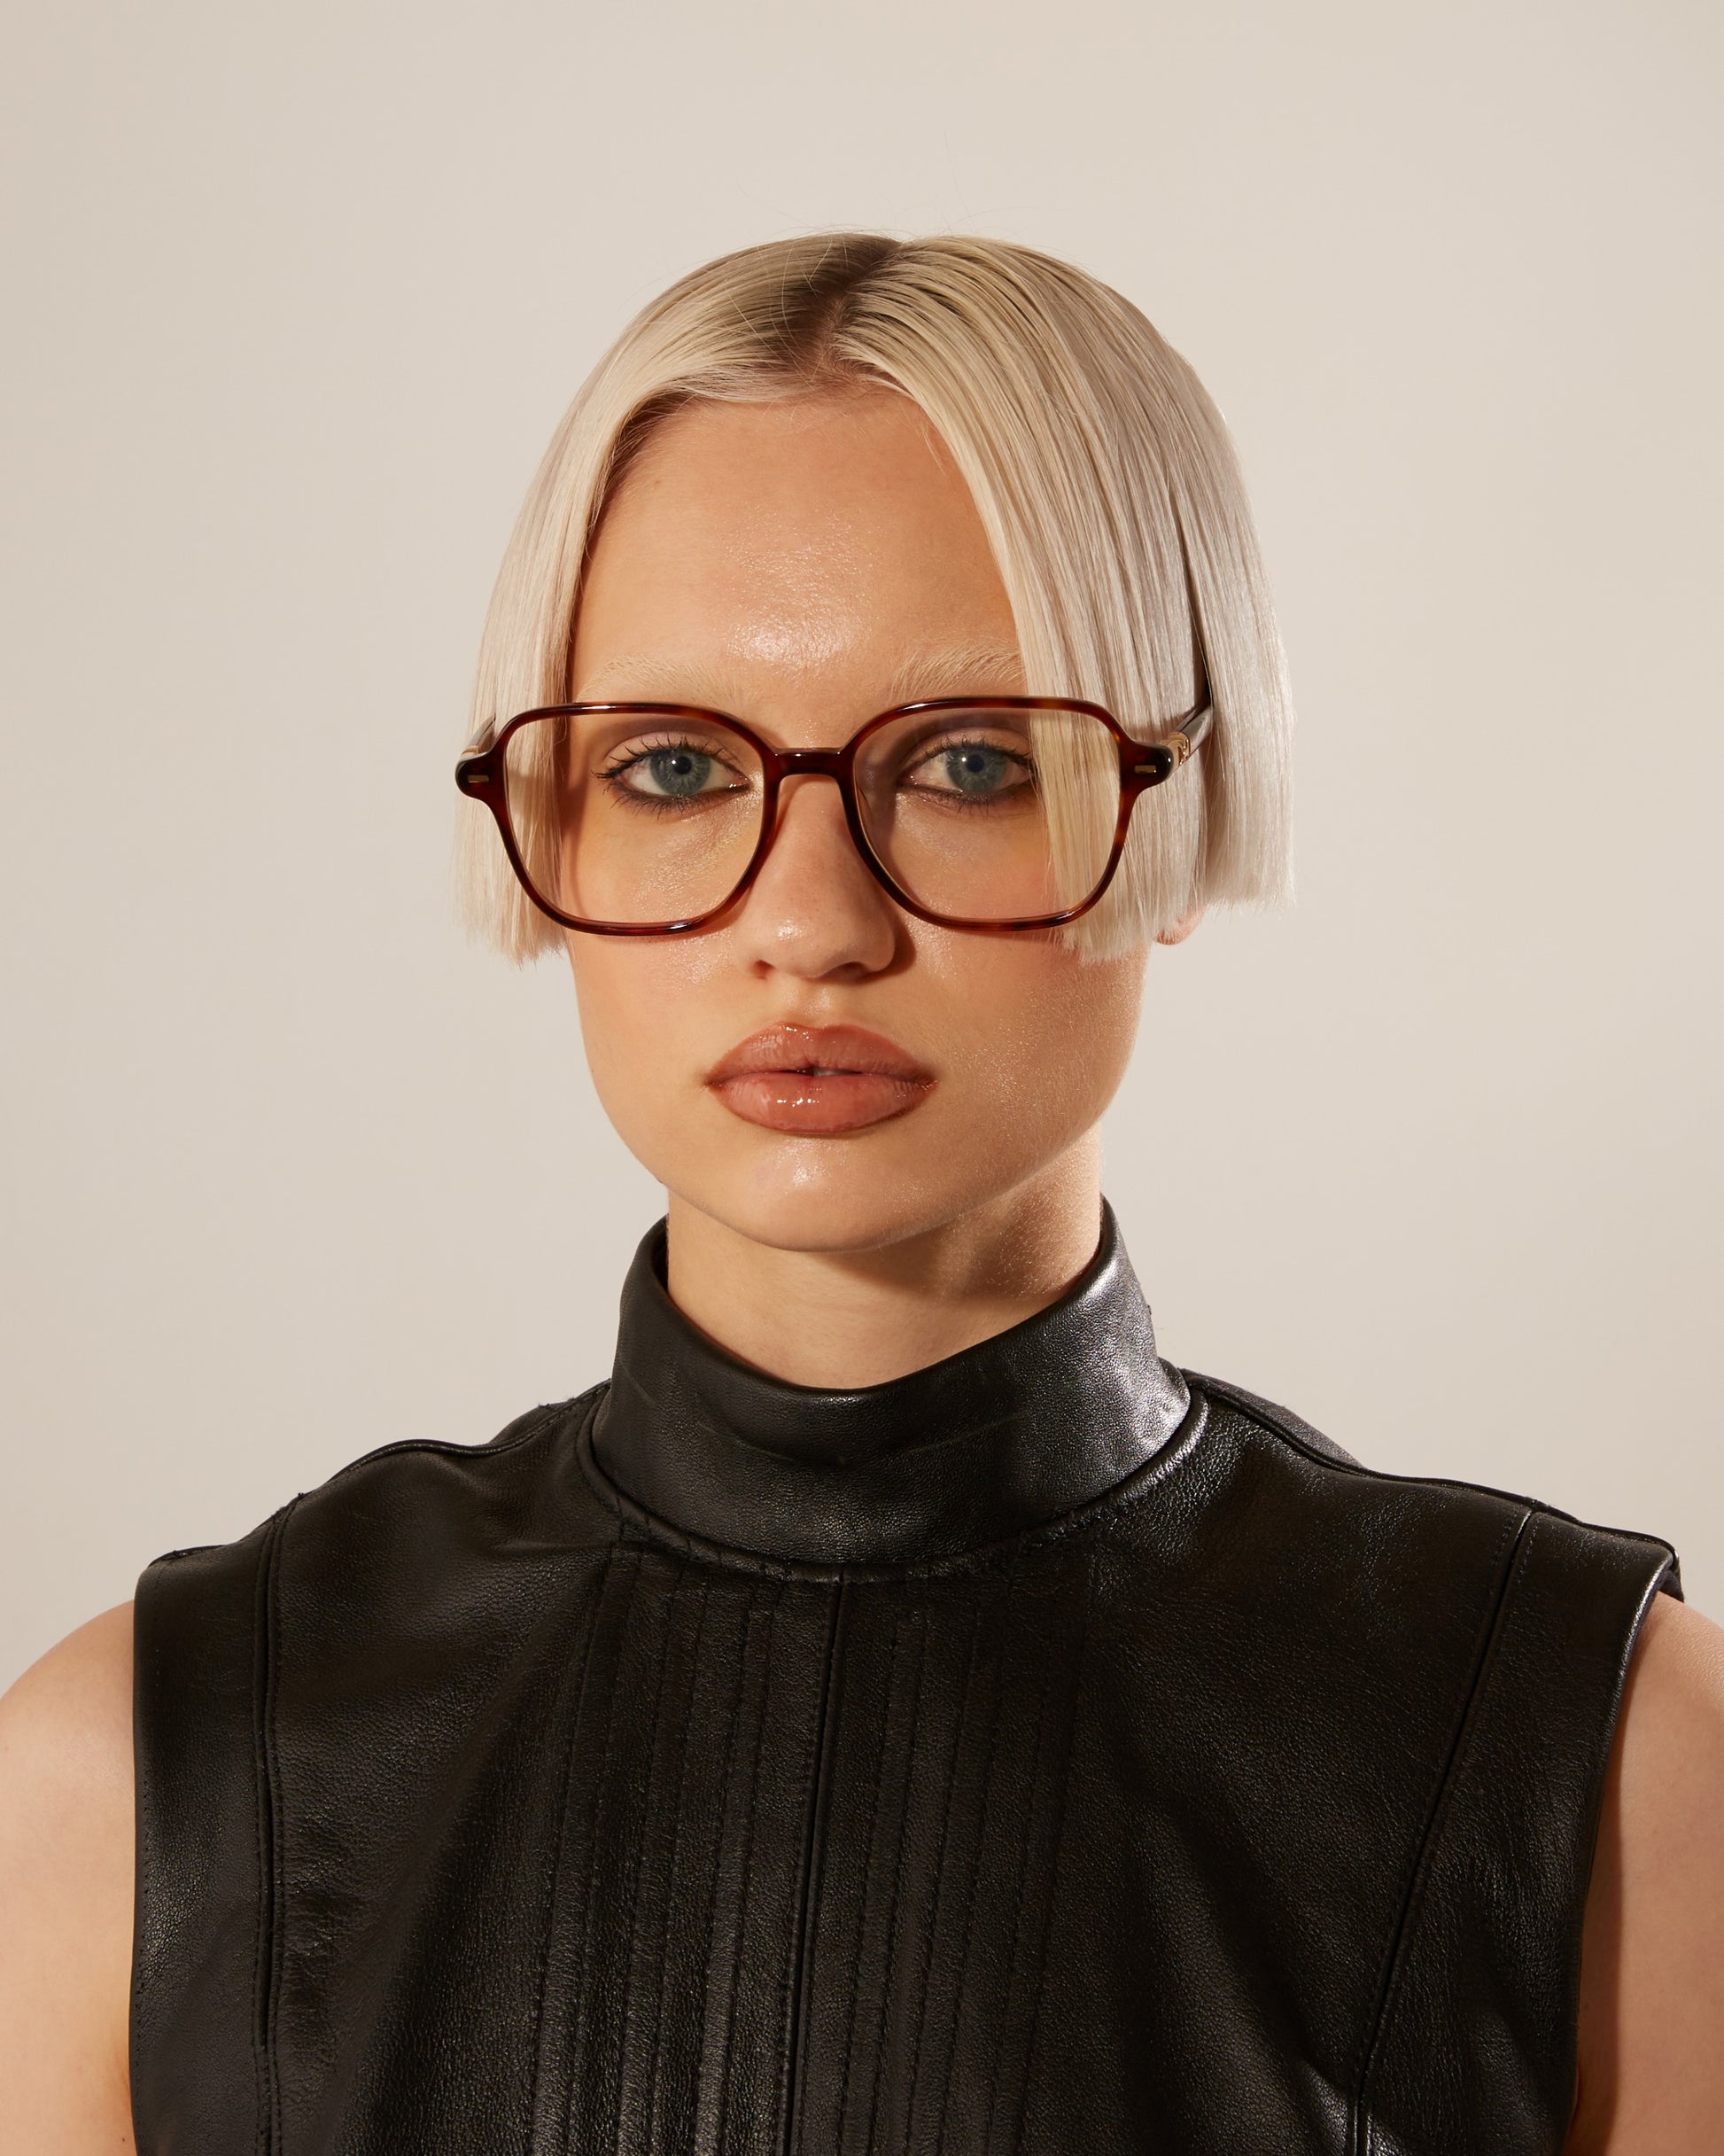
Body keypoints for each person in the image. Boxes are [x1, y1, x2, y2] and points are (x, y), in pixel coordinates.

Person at [1, 234, 1720, 2155]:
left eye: (972, 760)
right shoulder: (137, 1778)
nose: (809, 921)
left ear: (1181, 792)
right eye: (668, 764)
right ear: (542, 806)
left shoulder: (1607, 1774)